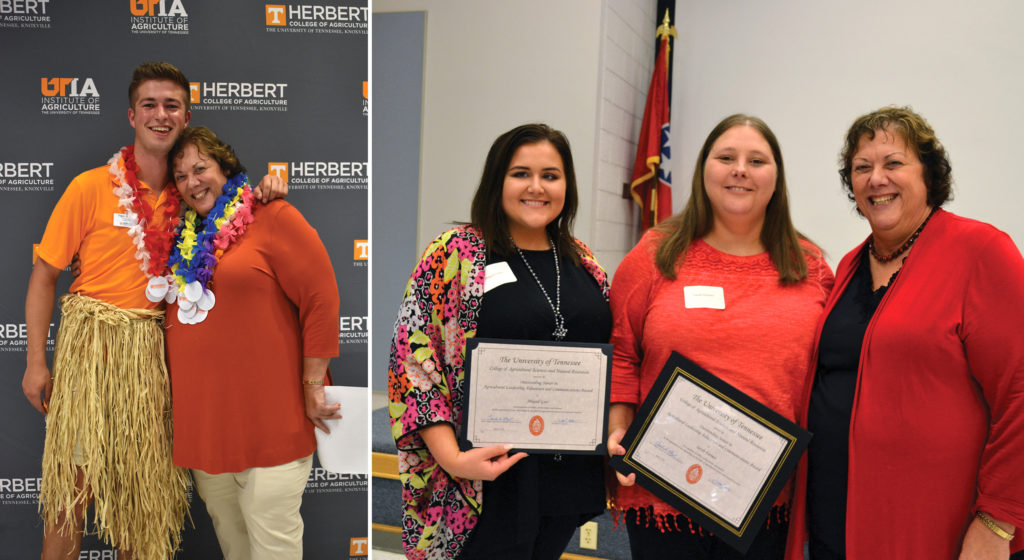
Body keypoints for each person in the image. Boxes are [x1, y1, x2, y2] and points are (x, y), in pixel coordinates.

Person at [21, 62, 285, 560]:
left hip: (155, 364)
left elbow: (246, 216)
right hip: (90, 355)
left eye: (171, 105)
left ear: (186, 115)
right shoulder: (89, 188)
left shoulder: (196, 196)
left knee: (141, 506)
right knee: (68, 496)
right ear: (132, 115)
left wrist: (269, 192)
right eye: (150, 105)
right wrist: (37, 361)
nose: (160, 115)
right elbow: (43, 276)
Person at [786, 106, 1024, 560]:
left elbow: (1020, 390)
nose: (877, 178)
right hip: (834, 517)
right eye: (862, 167)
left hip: (936, 526)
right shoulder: (850, 265)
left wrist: (998, 520)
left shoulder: (981, 252)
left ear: (930, 175)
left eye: (893, 163)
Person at [607, 114, 834, 560]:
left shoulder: (810, 267)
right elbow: (622, 352)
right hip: (663, 491)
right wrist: (617, 429)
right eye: (726, 157)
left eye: (756, 160)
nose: (740, 170)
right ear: (703, 169)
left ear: (776, 177)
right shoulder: (655, 253)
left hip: (766, 498)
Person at [387, 123, 612, 559]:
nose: (536, 187)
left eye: (551, 175)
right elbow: (412, 359)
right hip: (482, 478)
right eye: (520, 173)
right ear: (497, 181)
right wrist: (452, 458)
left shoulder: (585, 262)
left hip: (565, 478)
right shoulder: (455, 253)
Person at [162, 126, 339, 559]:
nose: (192, 182)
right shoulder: (179, 242)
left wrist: (314, 385)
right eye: (181, 176)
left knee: (272, 544)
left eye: (200, 168)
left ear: (226, 168)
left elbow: (322, 297)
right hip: (207, 427)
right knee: (232, 543)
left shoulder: (271, 216)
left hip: (272, 421)